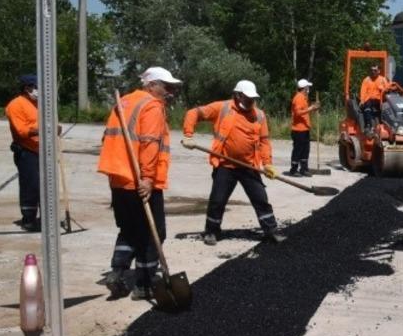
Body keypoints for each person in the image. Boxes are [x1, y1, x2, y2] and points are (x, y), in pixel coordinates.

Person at [96, 67, 181, 300]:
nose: (170, 90)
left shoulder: (124, 102)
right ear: (151, 85)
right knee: (154, 234)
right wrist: (148, 178)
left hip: (118, 178)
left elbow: (108, 138)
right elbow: (150, 144)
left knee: (129, 229)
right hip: (140, 181)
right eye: (166, 85)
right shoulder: (151, 105)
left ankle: (118, 272)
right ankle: (143, 284)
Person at [182, 79, 282, 246]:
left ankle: (271, 231)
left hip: (249, 166)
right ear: (237, 95)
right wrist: (188, 135)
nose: (250, 101)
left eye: (252, 98)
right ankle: (211, 232)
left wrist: (268, 163)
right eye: (247, 98)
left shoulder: (259, 115)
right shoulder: (223, 108)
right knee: (218, 200)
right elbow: (193, 113)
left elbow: (264, 141)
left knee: (260, 199)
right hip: (225, 165)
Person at [5, 75, 40, 231]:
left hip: (43, 150)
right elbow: (21, 131)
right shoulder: (16, 105)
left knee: (44, 185)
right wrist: (42, 130)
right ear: (28, 88)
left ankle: (46, 217)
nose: (39, 91)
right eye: (37, 87)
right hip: (27, 151)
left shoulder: (38, 104)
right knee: (30, 185)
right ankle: (28, 219)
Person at [289, 78, 320, 177]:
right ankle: (293, 170)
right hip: (298, 130)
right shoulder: (298, 98)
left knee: (305, 149)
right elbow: (298, 113)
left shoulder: (303, 98)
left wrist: (314, 108)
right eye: (307, 87)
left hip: (305, 129)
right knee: (298, 150)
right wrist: (311, 108)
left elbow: (305, 111)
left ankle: (304, 168)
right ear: (304, 88)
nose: (308, 89)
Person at [358, 63, 394, 131]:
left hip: (379, 100)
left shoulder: (383, 79)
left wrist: (384, 88)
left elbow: (388, 89)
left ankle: (386, 125)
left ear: (379, 71)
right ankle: (368, 125)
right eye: (371, 70)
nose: (373, 72)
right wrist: (362, 101)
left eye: (375, 70)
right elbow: (363, 91)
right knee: (367, 107)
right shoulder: (366, 80)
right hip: (368, 99)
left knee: (386, 108)